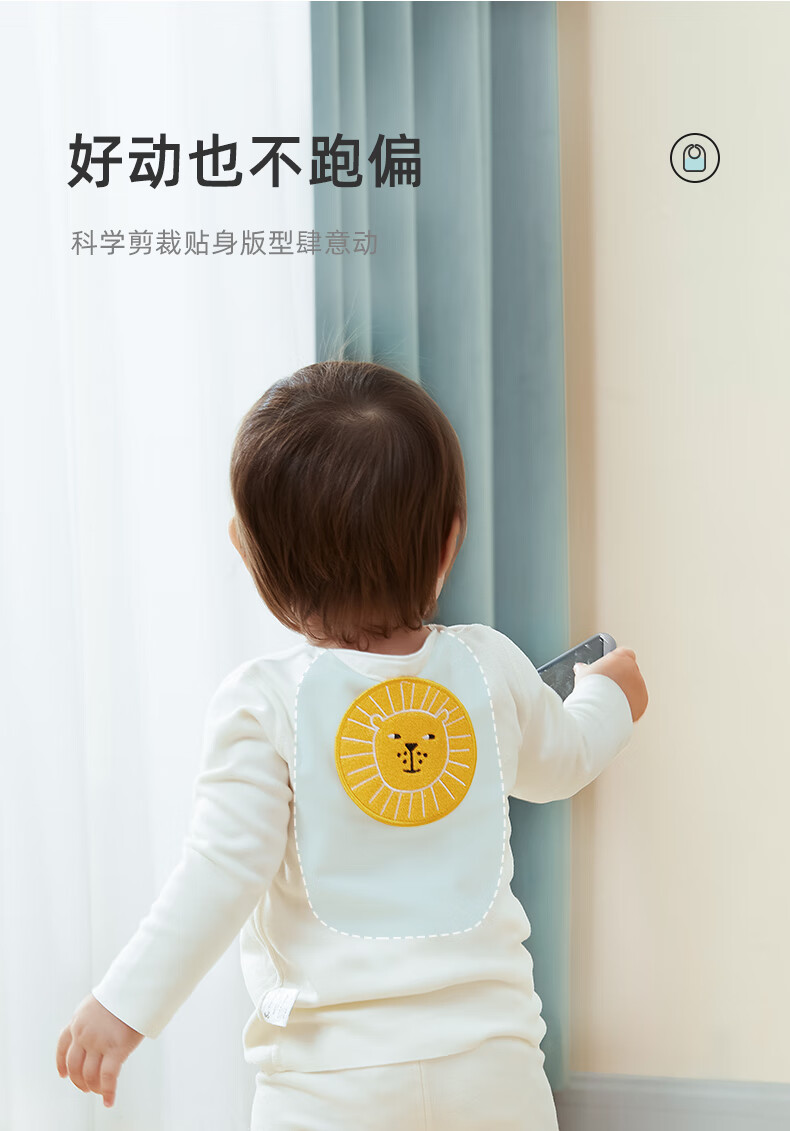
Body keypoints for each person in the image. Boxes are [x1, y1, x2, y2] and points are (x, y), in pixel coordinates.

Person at [56, 359, 648, 1129]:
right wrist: (608, 692)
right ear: (449, 543)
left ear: (253, 560)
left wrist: (123, 1006)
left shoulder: (264, 703)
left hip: (327, 1080)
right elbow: (564, 760)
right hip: (493, 1064)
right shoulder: (489, 665)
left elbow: (220, 872)